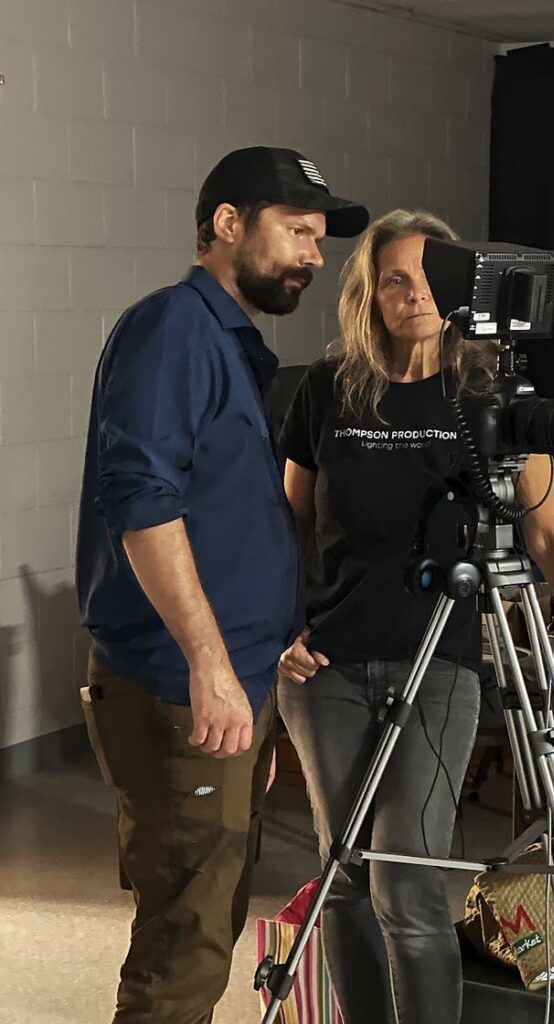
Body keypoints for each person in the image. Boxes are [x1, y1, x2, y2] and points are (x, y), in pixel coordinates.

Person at [276, 208, 554, 1024]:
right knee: (344, 877)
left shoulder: (487, 396)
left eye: (428, 278)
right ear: (369, 291)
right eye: (393, 279)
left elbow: (547, 529)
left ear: (456, 291)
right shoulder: (327, 388)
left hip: (440, 666)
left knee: (409, 888)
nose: (411, 294)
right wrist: (278, 629)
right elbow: (288, 519)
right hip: (328, 668)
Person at [75, 147, 368, 1024]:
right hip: (178, 683)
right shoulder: (172, 328)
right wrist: (209, 661)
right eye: (297, 232)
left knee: (212, 906)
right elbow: (142, 501)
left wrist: (262, 645)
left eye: (321, 238)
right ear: (227, 226)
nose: (316, 256)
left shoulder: (231, 343)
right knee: (186, 938)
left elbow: (225, 512)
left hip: (234, 675)